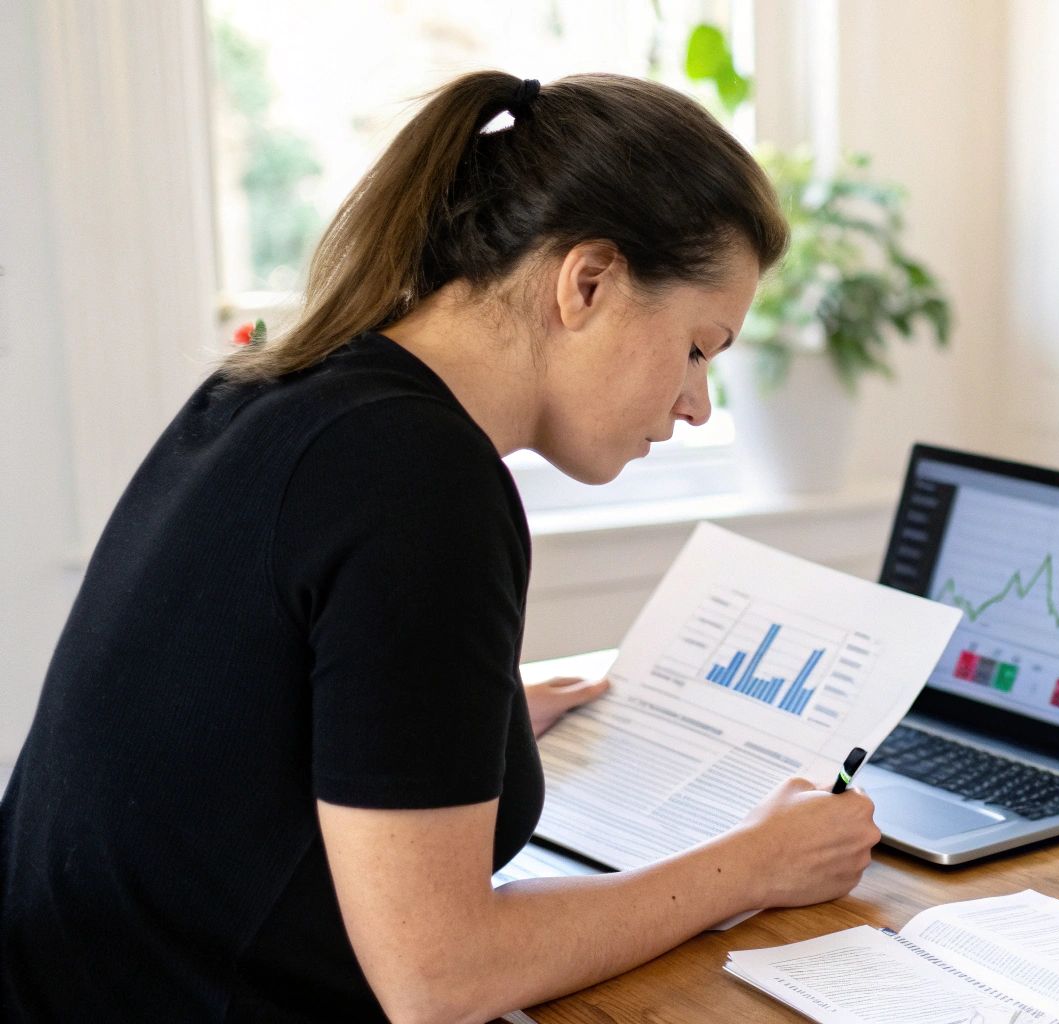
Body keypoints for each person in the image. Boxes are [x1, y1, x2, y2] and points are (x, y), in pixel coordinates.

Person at [0, 70, 880, 1023]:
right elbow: (442, 980)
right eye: (700, 347)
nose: (696, 403)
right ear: (586, 282)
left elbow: (250, 705)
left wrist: (473, 723)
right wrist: (753, 864)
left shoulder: (277, 390)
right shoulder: (422, 482)